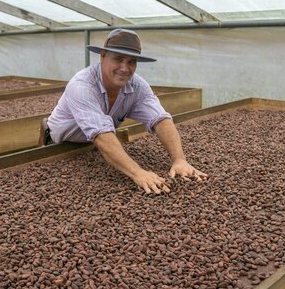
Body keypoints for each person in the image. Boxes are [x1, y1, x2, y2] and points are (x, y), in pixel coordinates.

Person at [40, 29, 206, 194]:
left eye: (131, 62)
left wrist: (179, 160)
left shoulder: (137, 86)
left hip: (91, 147)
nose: (124, 68)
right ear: (103, 56)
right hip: (58, 147)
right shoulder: (82, 86)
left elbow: (161, 119)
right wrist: (138, 173)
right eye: (118, 59)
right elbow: (102, 135)